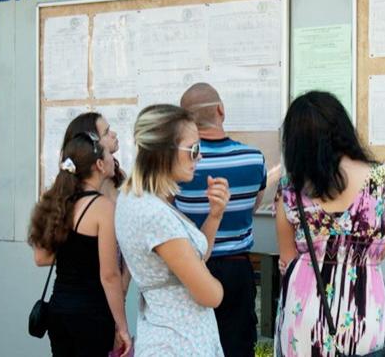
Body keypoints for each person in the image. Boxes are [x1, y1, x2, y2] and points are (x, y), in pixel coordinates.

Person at [274, 91, 385, 357]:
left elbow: (287, 259)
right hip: (365, 310)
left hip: (304, 311)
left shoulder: (290, 188)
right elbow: (381, 251)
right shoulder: (384, 180)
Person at [115, 104, 231, 356]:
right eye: (193, 149)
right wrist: (218, 285)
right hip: (179, 343)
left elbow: (194, 259)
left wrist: (215, 215)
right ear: (164, 151)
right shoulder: (153, 214)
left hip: (169, 337)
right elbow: (210, 295)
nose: (199, 157)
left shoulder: (133, 198)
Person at [176, 83, 267, 357]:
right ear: (221, 110)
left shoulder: (178, 165)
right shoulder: (254, 159)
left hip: (190, 268)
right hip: (237, 269)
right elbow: (253, 207)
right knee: (238, 347)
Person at [28, 131, 132, 357]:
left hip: (59, 309)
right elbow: (109, 276)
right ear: (99, 165)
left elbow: (41, 258)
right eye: (108, 154)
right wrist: (122, 326)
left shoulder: (58, 202)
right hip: (92, 314)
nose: (113, 159)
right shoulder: (103, 208)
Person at [62, 112, 124, 202]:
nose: (114, 134)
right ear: (87, 143)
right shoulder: (86, 186)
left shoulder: (118, 174)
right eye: (106, 132)